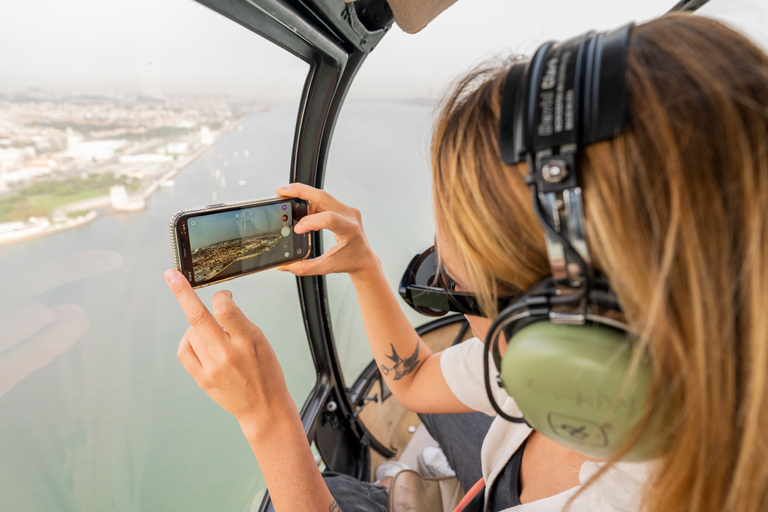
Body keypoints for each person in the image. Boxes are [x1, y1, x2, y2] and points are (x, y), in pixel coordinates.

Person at [164, 13, 768, 512]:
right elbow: (413, 381)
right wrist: (365, 267)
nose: (437, 287)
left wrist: (268, 419)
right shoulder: (594, 359)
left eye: (451, 288)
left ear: (570, 318)